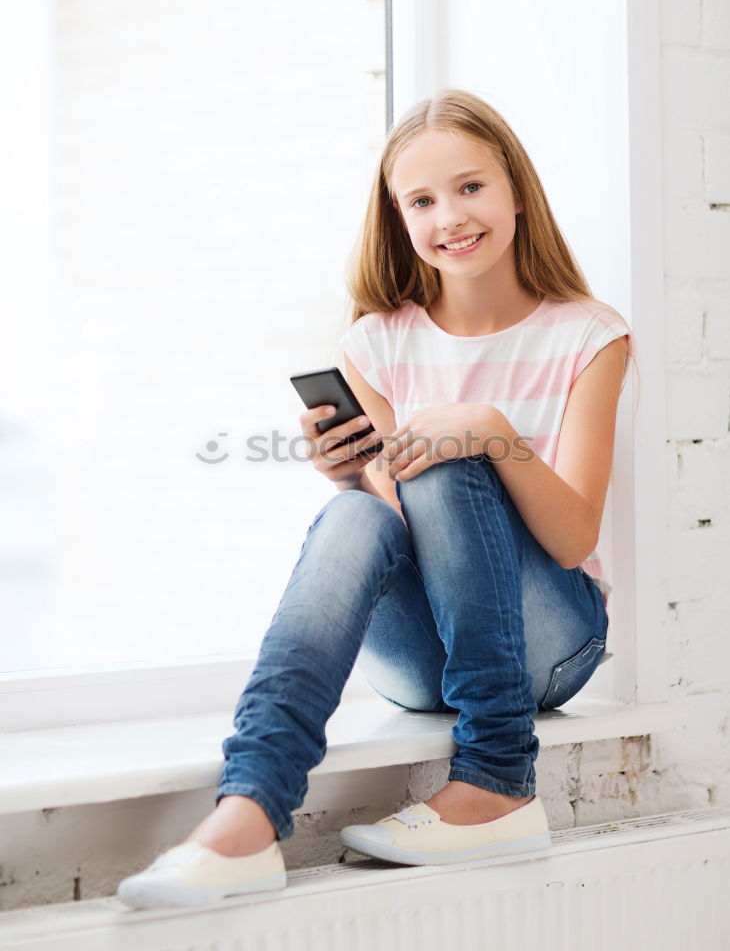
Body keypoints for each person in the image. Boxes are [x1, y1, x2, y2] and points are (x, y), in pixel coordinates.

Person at [117, 89, 635, 909]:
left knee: (455, 456)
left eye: (470, 187)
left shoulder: (590, 335)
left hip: (550, 644)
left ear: (515, 191)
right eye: (421, 201)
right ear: (397, 218)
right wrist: (351, 479)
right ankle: (250, 805)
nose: (449, 217)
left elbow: (574, 540)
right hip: (426, 657)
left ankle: (498, 778)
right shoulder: (376, 342)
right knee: (357, 510)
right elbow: (398, 527)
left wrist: (494, 432)